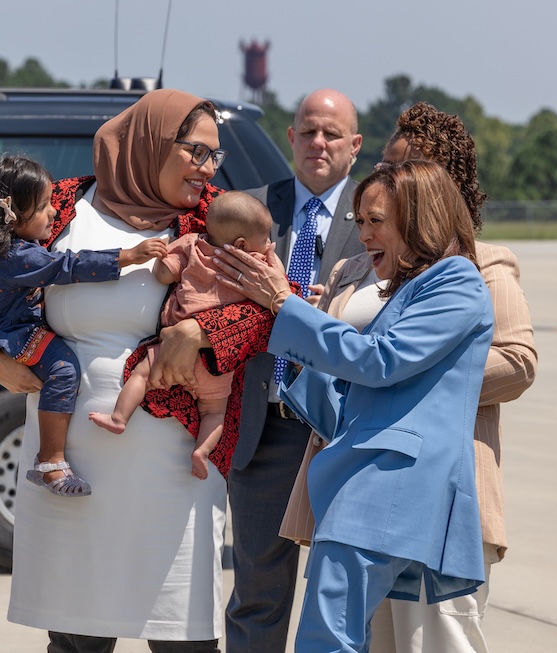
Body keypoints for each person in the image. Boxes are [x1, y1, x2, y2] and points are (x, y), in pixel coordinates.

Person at [0, 89, 273, 653]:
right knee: (77, 635)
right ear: (150, 143)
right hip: (68, 457)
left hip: (172, 463)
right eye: (196, 152)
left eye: (213, 157)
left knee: (179, 631)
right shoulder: (64, 206)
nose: (207, 168)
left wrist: (200, 332)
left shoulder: (214, 216)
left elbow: (266, 306)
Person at [215, 159, 493, 653]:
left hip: (387, 483)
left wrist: (286, 305)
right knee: (344, 637)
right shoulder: (409, 288)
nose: (364, 234)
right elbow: (346, 402)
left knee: (327, 638)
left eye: (376, 220)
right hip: (365, 477)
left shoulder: (457, 282)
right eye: (359, 221)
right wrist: (290, 330)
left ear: (420, 218)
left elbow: (379, 362)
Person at [359, 103, 535, 652]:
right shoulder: (356, 263)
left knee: (438, 638)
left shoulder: (484, 265)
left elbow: (518, 361)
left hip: (443, 494)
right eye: (388, 167)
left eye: (409, 168)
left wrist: (402, 375)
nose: (393, 181)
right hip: (361, 490)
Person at [226, 88, 366, 653]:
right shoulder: (249, 207)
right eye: (308, 130)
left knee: (345, 598)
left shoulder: (380, 214)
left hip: (346, 431)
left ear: (354, 145)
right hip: (266, 427)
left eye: (332, 134)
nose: (318, 143)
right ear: (290, 137)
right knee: (257, 594)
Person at [0, 153, 166, 497]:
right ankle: (51, 461)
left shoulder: (10, 247)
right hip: (16, 335)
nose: (54, 211)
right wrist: (129, 255)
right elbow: (66, 266)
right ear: (11, 215)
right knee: (63, 369)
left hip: (17, 329)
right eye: (43, 207)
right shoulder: (16, 257)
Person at [88, 191, 273, 479]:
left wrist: (165, 256)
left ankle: (119, 418)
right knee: (214, 412)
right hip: (215, 359)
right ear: (241, 244)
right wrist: (269, 257)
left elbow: (162, 275)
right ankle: (201, 451)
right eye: (266, 237)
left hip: (170, 347)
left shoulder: (192, 244)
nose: (269, 243)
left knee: (140, 376)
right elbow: (279, 293)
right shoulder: (256, 264)